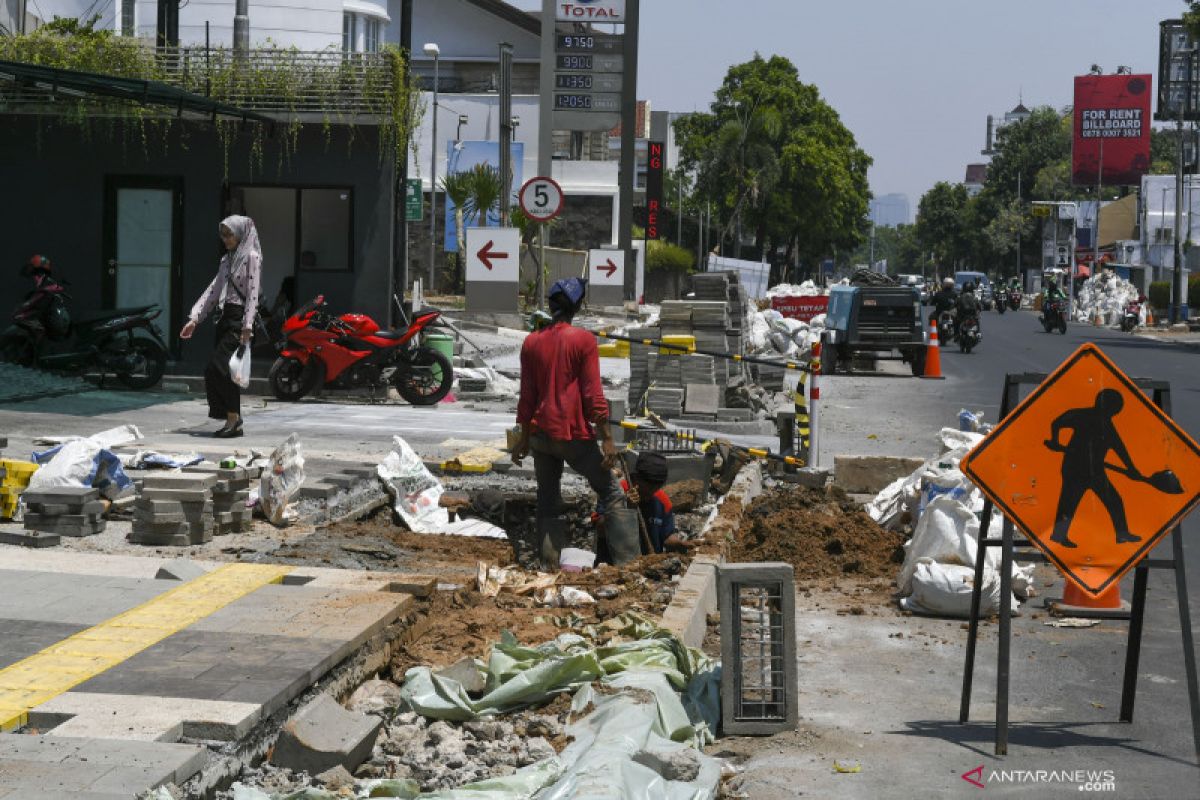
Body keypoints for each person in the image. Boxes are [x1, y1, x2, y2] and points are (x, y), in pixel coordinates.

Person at [511, 277, 624, 569]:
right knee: (611, 491)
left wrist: (523, 439)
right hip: (570, 434)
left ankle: (548, 566)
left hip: (539, 434)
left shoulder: (532, 342)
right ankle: (627, 564)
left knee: (548, 498)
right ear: (577, 305)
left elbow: (527, 396)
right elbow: (593, 395)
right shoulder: (583, 340)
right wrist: (607, 438)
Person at [179, 216, 262, 438]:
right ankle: (233, 419)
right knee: (225, 373)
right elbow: (213, 291)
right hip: (225, 318)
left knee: (217, 368)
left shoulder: (252, 257)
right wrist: (195, 318)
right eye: (222, 235)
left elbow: (253, 294)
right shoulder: (227, 260)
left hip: (239, 320)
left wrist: (247, 325)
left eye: (229, 234)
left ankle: (233, 418)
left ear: (241, 234)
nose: (225, 239)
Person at [1045, 389, 1143, 548]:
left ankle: (1122, 534)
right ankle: (1058, 536)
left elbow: (1119, 448)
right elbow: (1057, 422)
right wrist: (1054, 440)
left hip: (1095, 470)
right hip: (1075, 467)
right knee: (1069, 502)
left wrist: (1131, 468)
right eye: (1113, 409)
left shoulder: (1107, 424)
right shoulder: (1083, 416)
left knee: (1114, 500)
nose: (1113, 413)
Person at [620, 451, 689, 554]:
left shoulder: (662, 501)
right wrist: (625, 508)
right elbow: (600, 528)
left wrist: (680, 543)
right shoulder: (617, 491)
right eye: (645, 492)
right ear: (635, 479)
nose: (648, 497)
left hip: (647, 564)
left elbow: (667, 537)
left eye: (653, 491)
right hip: (614, 563)